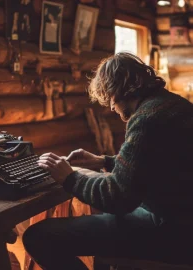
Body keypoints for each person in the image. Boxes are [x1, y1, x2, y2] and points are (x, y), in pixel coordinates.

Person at [22, 52, 193, 270]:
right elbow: (156, 165)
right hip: (181, 218)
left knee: (39, 236)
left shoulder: (147, 119)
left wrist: (69, 177)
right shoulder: (172, 104)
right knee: (98, 222)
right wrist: (104, 161)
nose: (112, 107)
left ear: (120, 90)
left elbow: (118, 198)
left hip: (174, 230)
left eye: (110, 97)